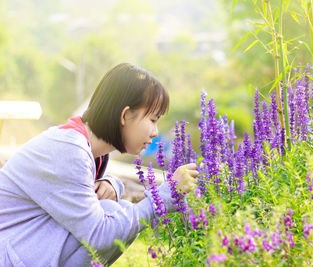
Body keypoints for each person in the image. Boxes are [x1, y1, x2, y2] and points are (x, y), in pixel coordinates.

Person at [0, 63, 199, 266]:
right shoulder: (69, 151)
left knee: (116, 210)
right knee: (113, 213)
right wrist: (161, 198)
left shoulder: (85, 148)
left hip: (19, 250)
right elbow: (98, 235)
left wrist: (112, 184)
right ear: (125, 115)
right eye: (153, 119)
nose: (155, 132)